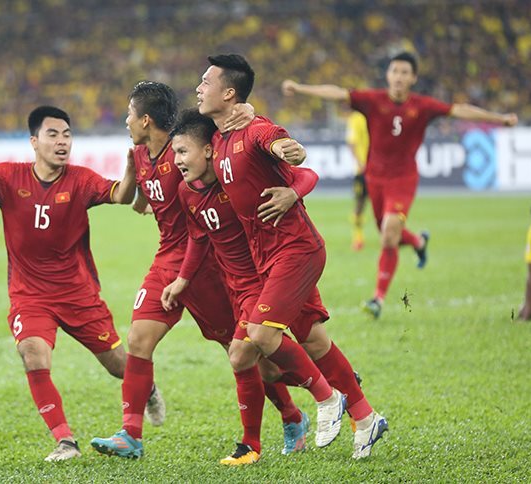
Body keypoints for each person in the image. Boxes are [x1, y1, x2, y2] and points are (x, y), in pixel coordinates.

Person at [0, 106, 161, 462]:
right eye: (53, 134)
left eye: (67, 135)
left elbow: (120, 196)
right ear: (34, 141)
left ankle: (144, 388)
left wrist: (132, 169)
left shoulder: (81, 179)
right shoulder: (6, 178)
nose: (61, 142)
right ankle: (65, 442)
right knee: (32, 354)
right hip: (30, 295)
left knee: (120, 365)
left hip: (78, 293)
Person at [90, 81, 304, 461]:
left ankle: (293, 414)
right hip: (167, 258)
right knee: (139, 338)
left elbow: (225, 154)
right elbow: (142, 201)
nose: (125, 121)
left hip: (209, 265)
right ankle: (131, 435)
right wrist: (134, 181)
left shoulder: (186, 153)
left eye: (128, 114)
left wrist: (251, 115)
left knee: (245, 355)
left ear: (146, 119)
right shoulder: (140, 154)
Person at [196, 53, 387, 460]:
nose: (199, 88)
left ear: (229, 93)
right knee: (314, 340)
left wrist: (291, 157)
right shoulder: (219, 138)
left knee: (262, 335)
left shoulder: (256, 128)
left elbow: (285, 146)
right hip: (267, 258)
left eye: (206, 82)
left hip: (295, 249)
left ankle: (326, 397)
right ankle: (368, 419)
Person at [282, 52, 518, 319]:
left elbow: (459, 110)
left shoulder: (423, 106)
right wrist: (300, 88)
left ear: (413, 78)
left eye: (405, 72)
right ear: (388, 75)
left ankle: (377, 299)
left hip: (403, 179)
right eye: (395, 71)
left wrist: (499, 119)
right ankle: (418, 241)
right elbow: (337, 94)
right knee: (386, 231)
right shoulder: (373, 101)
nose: (399, 77)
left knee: (389, 233)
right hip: (374, 178)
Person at [162, 108, 325, 464]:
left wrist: (292, 193)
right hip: (235, 287)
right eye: (174, 153)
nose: (177, 162)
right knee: (264, 368)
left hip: (266, 279)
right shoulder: (185, 191)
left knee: (241, 356)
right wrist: (182, 280)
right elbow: (198, 237)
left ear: (208, 151)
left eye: (182, 152)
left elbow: (307, 173)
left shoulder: (234, 178)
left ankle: (252, 444)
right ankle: (300, 413)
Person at [346, 109, 370, 251]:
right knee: (360, 203)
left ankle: (390, 234)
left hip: (380, 170)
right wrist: (360, 163)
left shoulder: (376, 114)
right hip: (363, 170)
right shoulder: (356, 118)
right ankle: (358, 237)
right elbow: (351, 142)